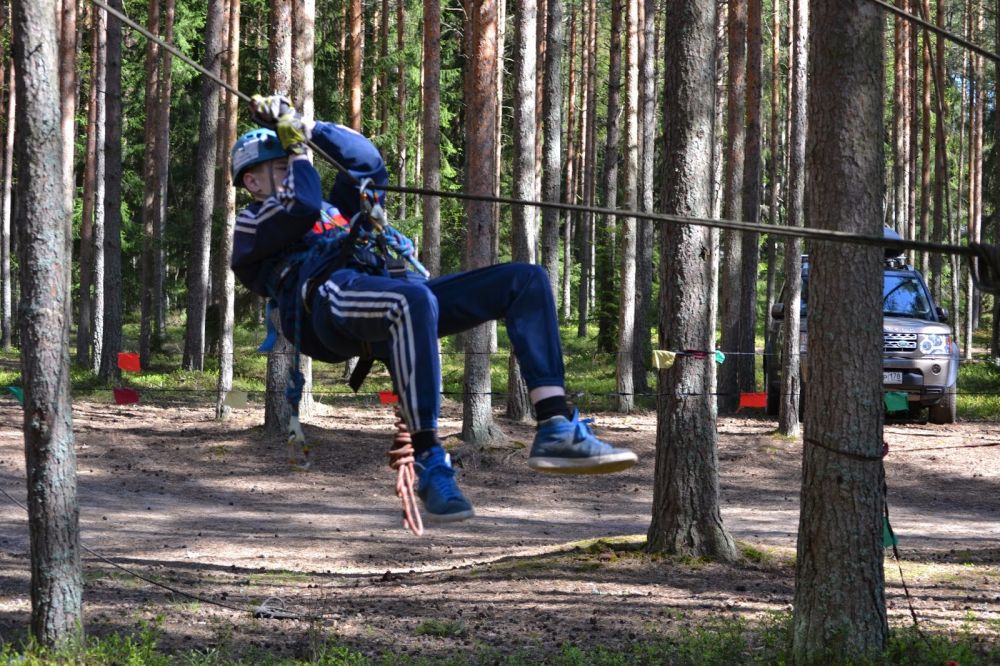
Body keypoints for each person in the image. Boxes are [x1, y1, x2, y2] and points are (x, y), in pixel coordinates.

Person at [230, 94, 637, 524]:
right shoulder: (252, 225)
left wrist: (308, 128)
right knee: (414, 299)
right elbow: (302, 205)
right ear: (252, 182)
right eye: (279, 168)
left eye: (289, 165)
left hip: (389, 296)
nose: (291, 171)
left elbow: (368, 163)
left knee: (526, 281)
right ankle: (429, 459)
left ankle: (554, 425)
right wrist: (296, 149)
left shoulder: (336, 209)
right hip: (327, 307)